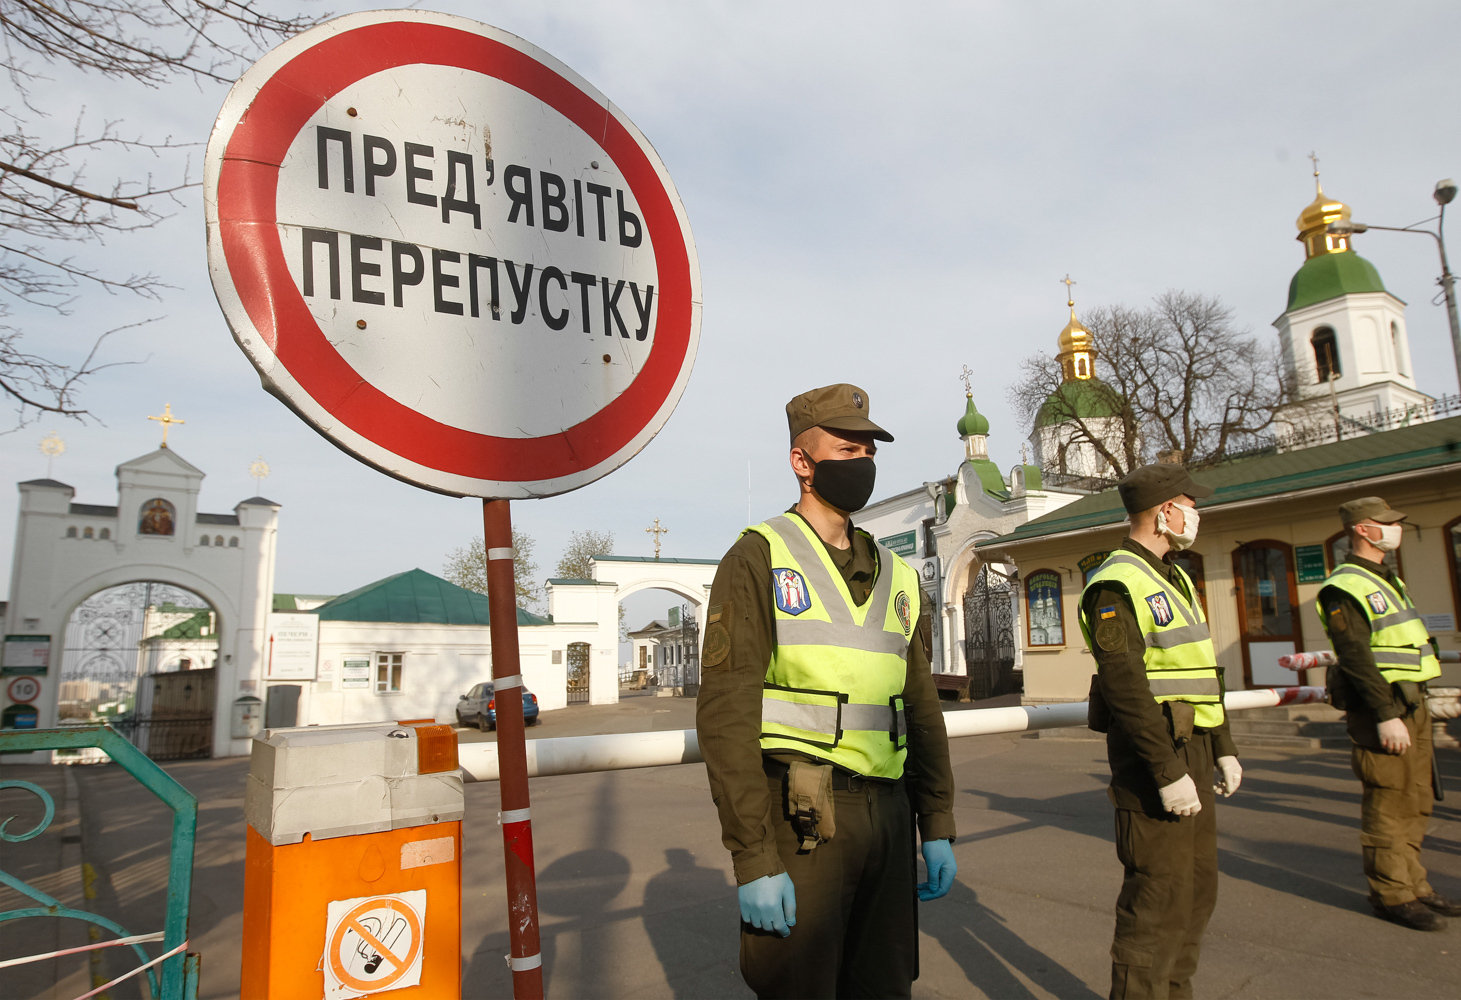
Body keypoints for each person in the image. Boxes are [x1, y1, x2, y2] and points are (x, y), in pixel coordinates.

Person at [695, 383, 957, 999]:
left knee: (884, 986)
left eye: (868, 451)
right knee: (800, 987)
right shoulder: (758, 558)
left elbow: (920, 709)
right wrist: (754, 857)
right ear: (802, 462)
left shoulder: (898, 575)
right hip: (805, 819)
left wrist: (937, 818)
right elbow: (728, 716)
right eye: (846, 449)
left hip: (889, 815)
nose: (861, 462)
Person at [1078, 463, 1240, 1000]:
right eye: (1190, 505)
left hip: (1195, 747)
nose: (1196, 515)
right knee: (1156, 900)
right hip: (1155, 759)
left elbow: (1201, 673)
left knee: (1195, 893)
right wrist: (1168, 771)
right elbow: (1124, 686)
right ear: (1164, 511)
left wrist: (1223, 746)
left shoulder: (1176, 577)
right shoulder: (1115, 582)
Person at [1316, 496, 1460, 931]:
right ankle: (1392, 895)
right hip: (1384, 708)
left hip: (1412, 703)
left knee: (1415, 799)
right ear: (1362, 529)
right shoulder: (1345, 585)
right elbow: (1356, 656)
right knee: (1388, 802)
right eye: (1386, 522)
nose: (1395, 528)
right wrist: (1384, 714)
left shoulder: (1386, 579)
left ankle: (1415, 884)